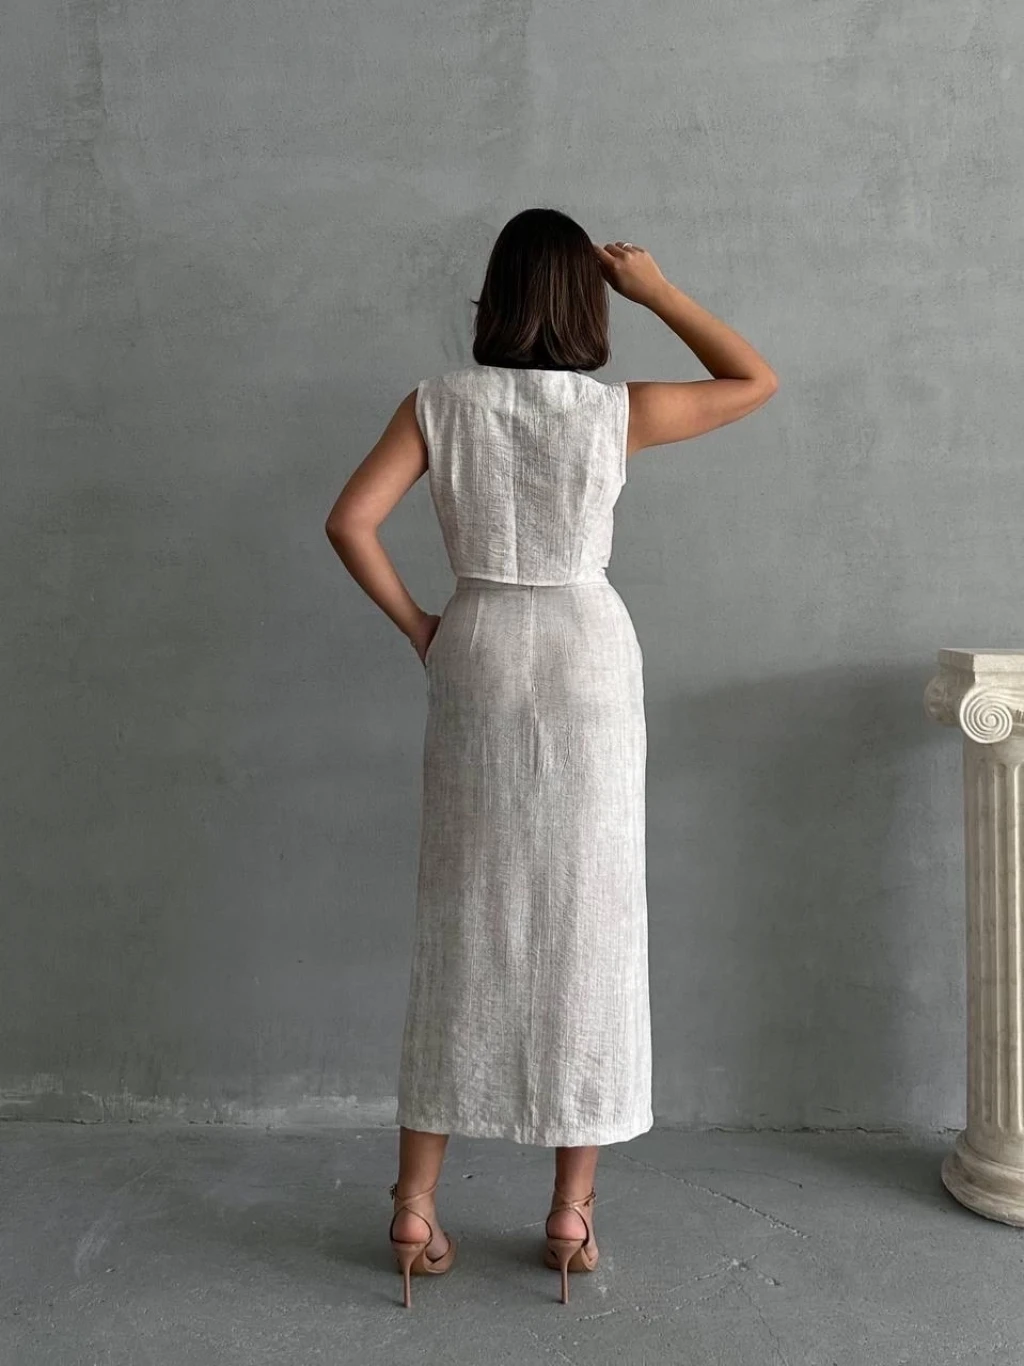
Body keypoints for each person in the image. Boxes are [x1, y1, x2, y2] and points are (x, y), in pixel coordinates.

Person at [324, 208, 778, 1308]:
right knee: (591, 917)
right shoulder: (617, 412)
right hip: (585, 653)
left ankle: (414, 1204)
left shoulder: (436, 403)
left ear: (493, 297)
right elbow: (753, 380)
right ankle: (571, 1214)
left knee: (461, 911)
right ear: (585, 303)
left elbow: (349, 522)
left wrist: (425, 628)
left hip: (479, 643)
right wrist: (658, 290)